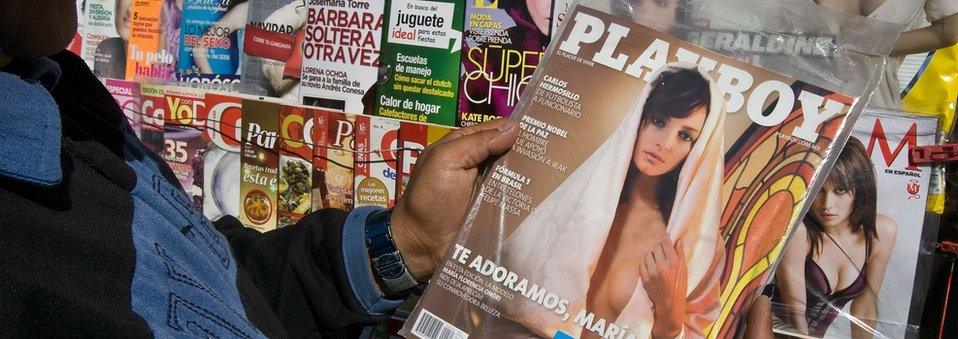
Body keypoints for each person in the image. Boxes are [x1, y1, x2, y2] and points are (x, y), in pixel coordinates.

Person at [0, 1, 775, 337]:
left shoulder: (62, 99)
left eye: (688, 134)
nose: (665, 144)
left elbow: (202, 288)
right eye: (661, 122)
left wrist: (406, 244)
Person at [771, 137, 897, 338]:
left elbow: (866, 304)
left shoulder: (881, 232)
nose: (827, 204)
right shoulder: (800, 232)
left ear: (861, 189)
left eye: (840, 190)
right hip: (768, 330)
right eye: (819, 190)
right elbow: (795, 314)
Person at [812, 0, 957, 109]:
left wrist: (873, 44)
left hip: (873, 104)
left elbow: (948, 33)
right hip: (803, 97)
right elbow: (947, 33)